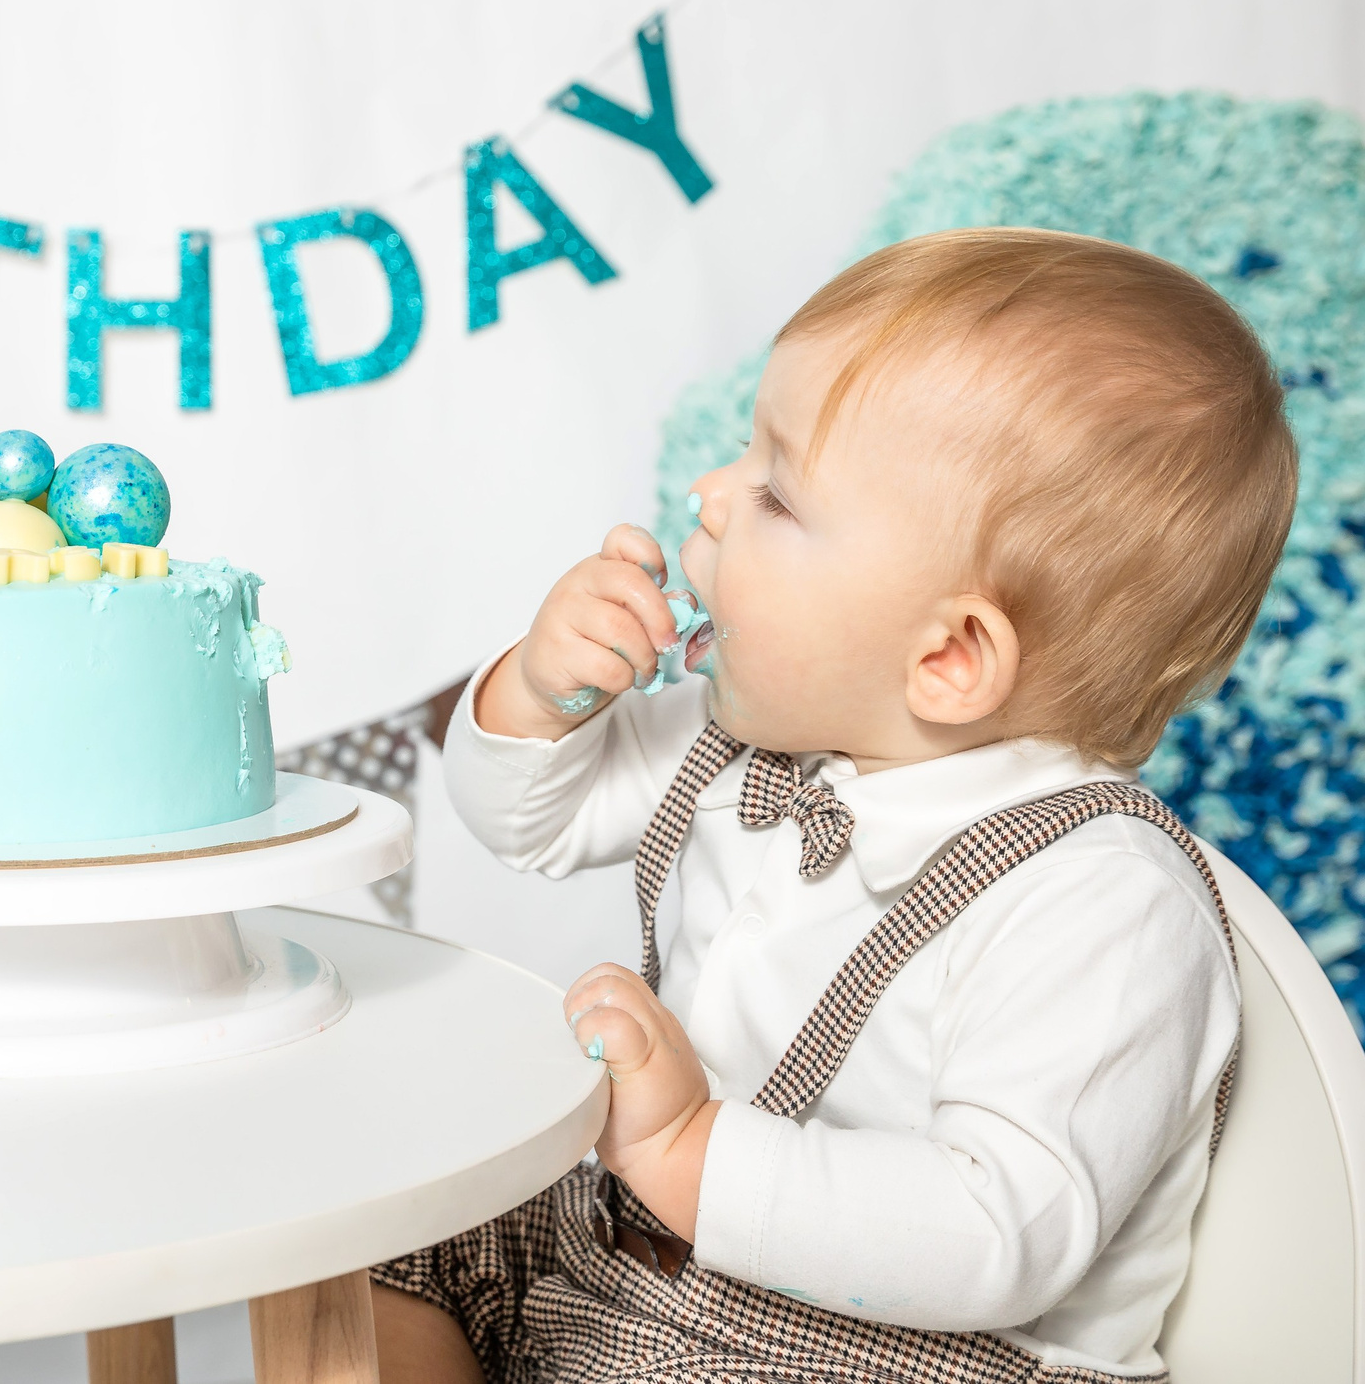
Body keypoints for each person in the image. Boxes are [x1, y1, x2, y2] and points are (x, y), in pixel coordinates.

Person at [375, 228, 1292, 1383]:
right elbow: (528, 819)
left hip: (895, 1356)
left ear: (949, 656)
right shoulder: (752, 744)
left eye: (775, 492)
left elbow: (998, 1234)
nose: (708, 497)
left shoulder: (1099, 902)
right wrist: (542, 690)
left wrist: (688, 1147)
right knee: (388, 1224)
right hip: (646, 1269)